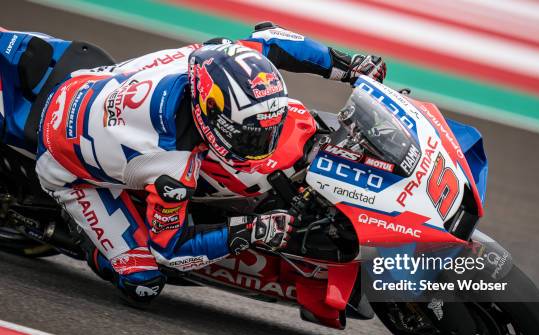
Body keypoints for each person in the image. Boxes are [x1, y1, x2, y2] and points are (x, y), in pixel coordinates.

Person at [11, 22, 387, 305]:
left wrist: (349, 67)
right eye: (250, 135)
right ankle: (77, 235)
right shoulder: (171, 167)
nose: (261, 143)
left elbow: (272, 39)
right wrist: (252, 231)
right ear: (208, 114)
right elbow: (171, 250)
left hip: (87, 82)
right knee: (143, 280)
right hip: (63, 160)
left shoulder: (213, 60)